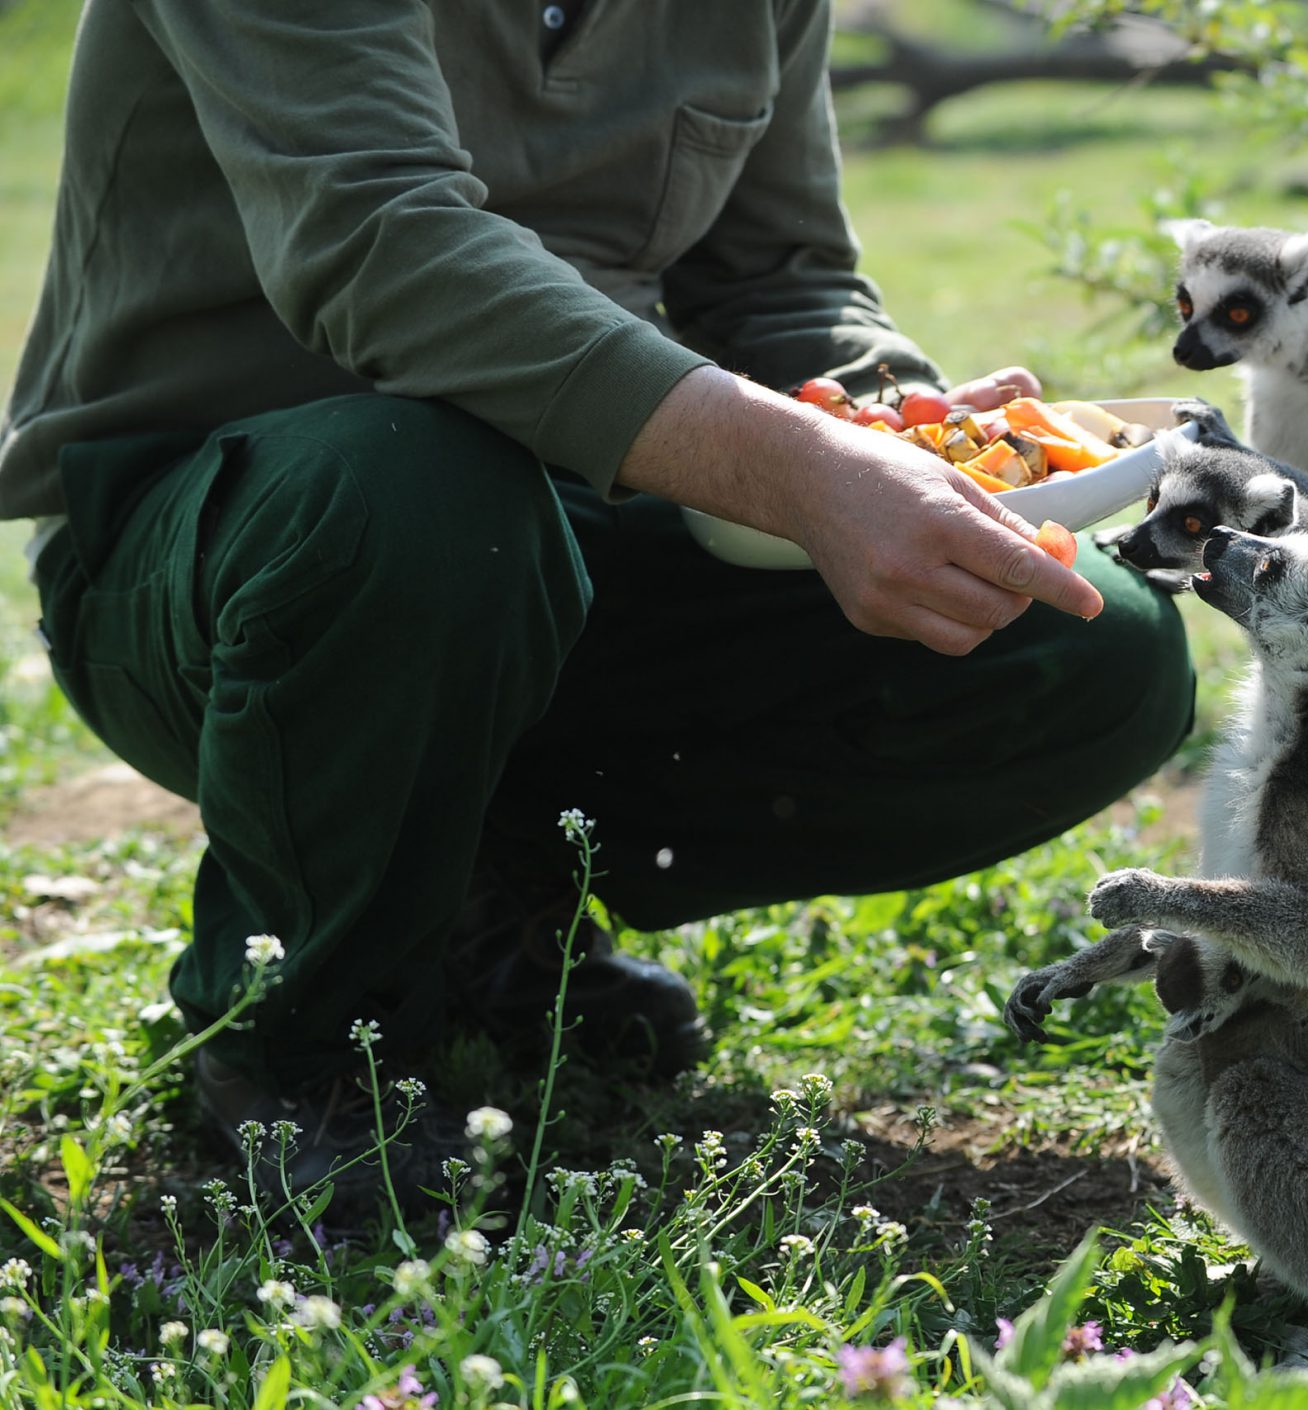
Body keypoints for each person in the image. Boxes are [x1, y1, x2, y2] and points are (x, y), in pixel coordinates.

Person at [0, 0, 1194, 1213]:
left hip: (562, 528)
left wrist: (908, 428)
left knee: (1080, 638)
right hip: (226, 542)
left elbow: (781, 278)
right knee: (422, 495)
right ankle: (297, 1037)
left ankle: (484, 888)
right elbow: (380, 248)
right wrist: (799, 469)